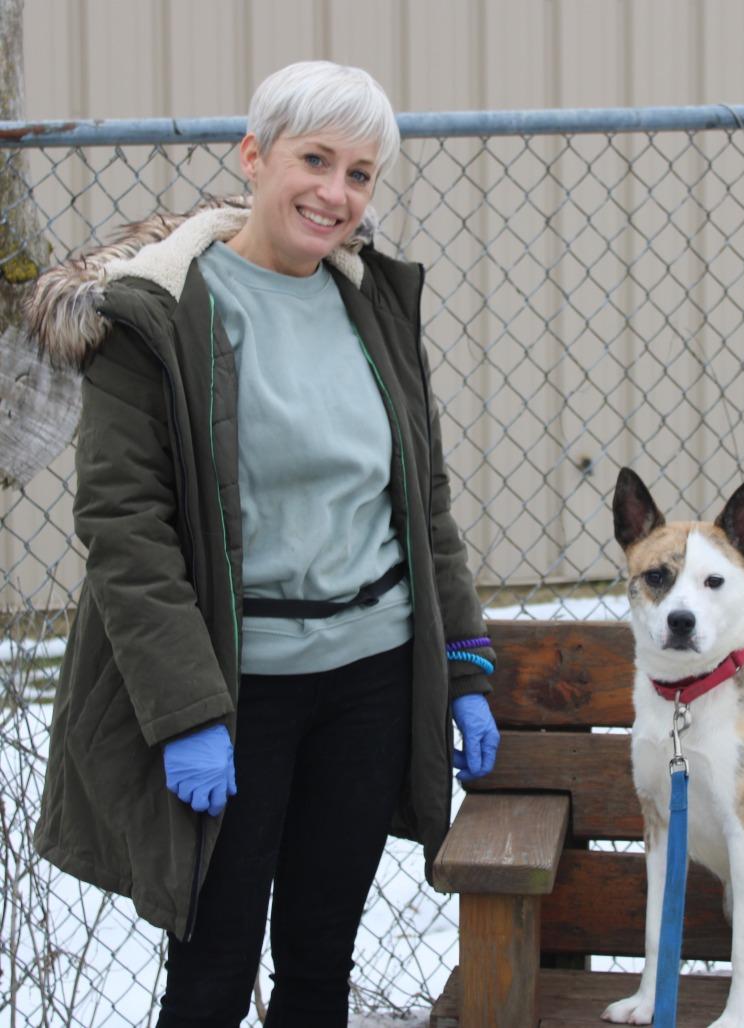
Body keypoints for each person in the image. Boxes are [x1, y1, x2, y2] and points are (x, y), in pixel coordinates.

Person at [28, 61, 500, 1027]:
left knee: (321, 964)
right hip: (237, 694)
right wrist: (187, 710)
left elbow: (423, 498)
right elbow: (126, 531)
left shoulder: (373, 302)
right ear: (254, 155)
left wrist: (462, 658)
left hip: (370, 683)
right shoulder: (159, 313)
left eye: (361, 173)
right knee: (210, 975)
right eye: (314, 159)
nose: (336, 194)